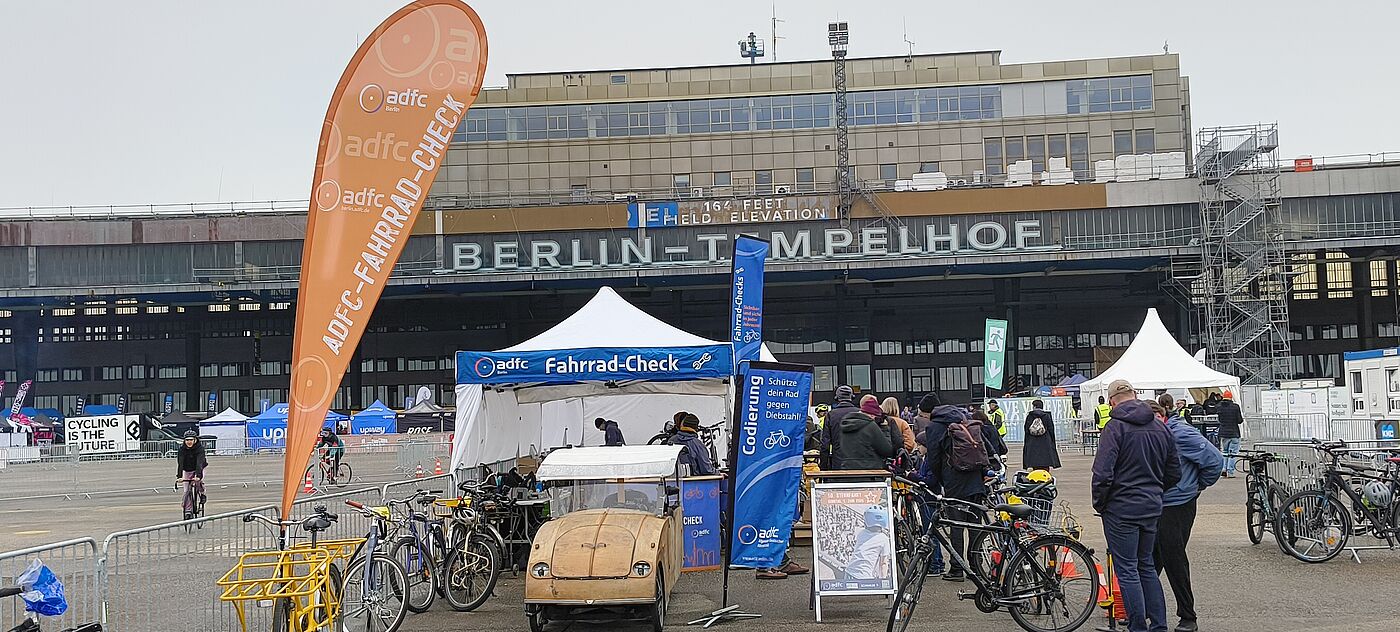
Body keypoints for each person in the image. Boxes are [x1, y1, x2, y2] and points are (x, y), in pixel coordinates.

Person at [1092, 380, 1181, 632]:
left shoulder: (1114, 428)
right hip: (1151, 506)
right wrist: (1155, 490)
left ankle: (1138, 626)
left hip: (1120, 508)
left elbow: (1102, 473)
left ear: (1111, 402)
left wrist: (1101, 502)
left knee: (1128, 570)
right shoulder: (1160, 426)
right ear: (1134, 395)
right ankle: (1159, 625)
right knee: (1146, 567)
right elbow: (1174, 471)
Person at [1154, 393, 1222, 632]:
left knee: (1173, 559)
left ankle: (1187, 616)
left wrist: (1195, 486)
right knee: (1152, 558)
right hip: (1157, 504)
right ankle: (1142, 607)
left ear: (1161, 415)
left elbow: (1214, 460)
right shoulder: (1158, 433)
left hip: (1177, 504)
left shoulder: (1181, 433)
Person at [920, 400, 1006, 581]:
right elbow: (986, 447)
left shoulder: (935, 427)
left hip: (954, 481)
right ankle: (976, 565)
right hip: (975, 479)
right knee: (975, 524)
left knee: (956, 526)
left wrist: (942, 480)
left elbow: (934, 459)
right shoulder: (965, 420)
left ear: (929, 413)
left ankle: (957, 568)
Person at [833, 397, 895, 470]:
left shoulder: (844, 425)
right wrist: (884, 428)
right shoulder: (870, 426)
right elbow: (887, 450)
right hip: (870, 470)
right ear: (872, 415)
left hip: (847, 468)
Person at [843, 506, 893, 582]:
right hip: (864, 576)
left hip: (849, 572)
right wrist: (882, 581)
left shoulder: (861, 533)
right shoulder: (884, 539)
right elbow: (883, 563)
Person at [819, 385, 860, 469]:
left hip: (838, 462)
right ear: (852, 397)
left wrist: (823, 467)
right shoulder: (860, 413)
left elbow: (825, 444)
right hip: (859, 462)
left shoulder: (831, 415)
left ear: (836, 398)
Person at [668, 412, 715, 477]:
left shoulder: (671, 440)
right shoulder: (697, 444)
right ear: (696, 428)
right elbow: (706, 470)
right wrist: (717, 472)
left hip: (672, 480)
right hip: (693, 481)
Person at [1022, 399, 1062, 470]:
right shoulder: (1047, 416)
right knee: (1046, 464)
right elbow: (1051, 429)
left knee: (1035, 465)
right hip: (1045, 442)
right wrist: (1052, 442)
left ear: (1034, 406)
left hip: (1032, 442)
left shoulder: (1030, 416)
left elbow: (1026, 429)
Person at [174, 430, 208, 513]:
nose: (189, 442)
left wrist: (198, 475)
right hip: (187, 469)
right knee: (186, 490)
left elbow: (199, 462)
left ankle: (202, 492)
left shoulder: (200, 449)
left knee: (197, 482)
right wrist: (179, 476)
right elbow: (180, 463)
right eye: (187, 440)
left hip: (199, 467)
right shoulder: (182, 450)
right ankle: (188, 510)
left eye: (191, 440)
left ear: (195, 440)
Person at [1216, 392, 1244, 477]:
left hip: (1223, 432)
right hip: (1234, 432)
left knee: (1224, 452)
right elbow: (1239, 420)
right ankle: (1230, 471)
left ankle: (1224, 469)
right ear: (1231, 397)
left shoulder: (1219, 406)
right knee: (1232, 453)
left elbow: (1219, 420)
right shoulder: (1235, 407)